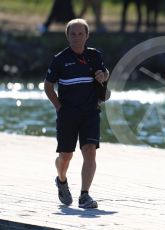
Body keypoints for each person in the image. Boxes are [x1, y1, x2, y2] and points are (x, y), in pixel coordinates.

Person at [44, 18, 109, 208]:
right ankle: (61, 180)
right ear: (67, 36)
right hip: (68, 113)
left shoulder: (95, 55)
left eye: (81, 34)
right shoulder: (59, 59)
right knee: (66, 155)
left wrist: (104, 75)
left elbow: (105, 72)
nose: (77, 37)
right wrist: (59, 107)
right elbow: (48, 86)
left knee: (89, 152)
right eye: (73, 34)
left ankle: (84, 195)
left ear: (87, 36)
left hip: (90, 112)